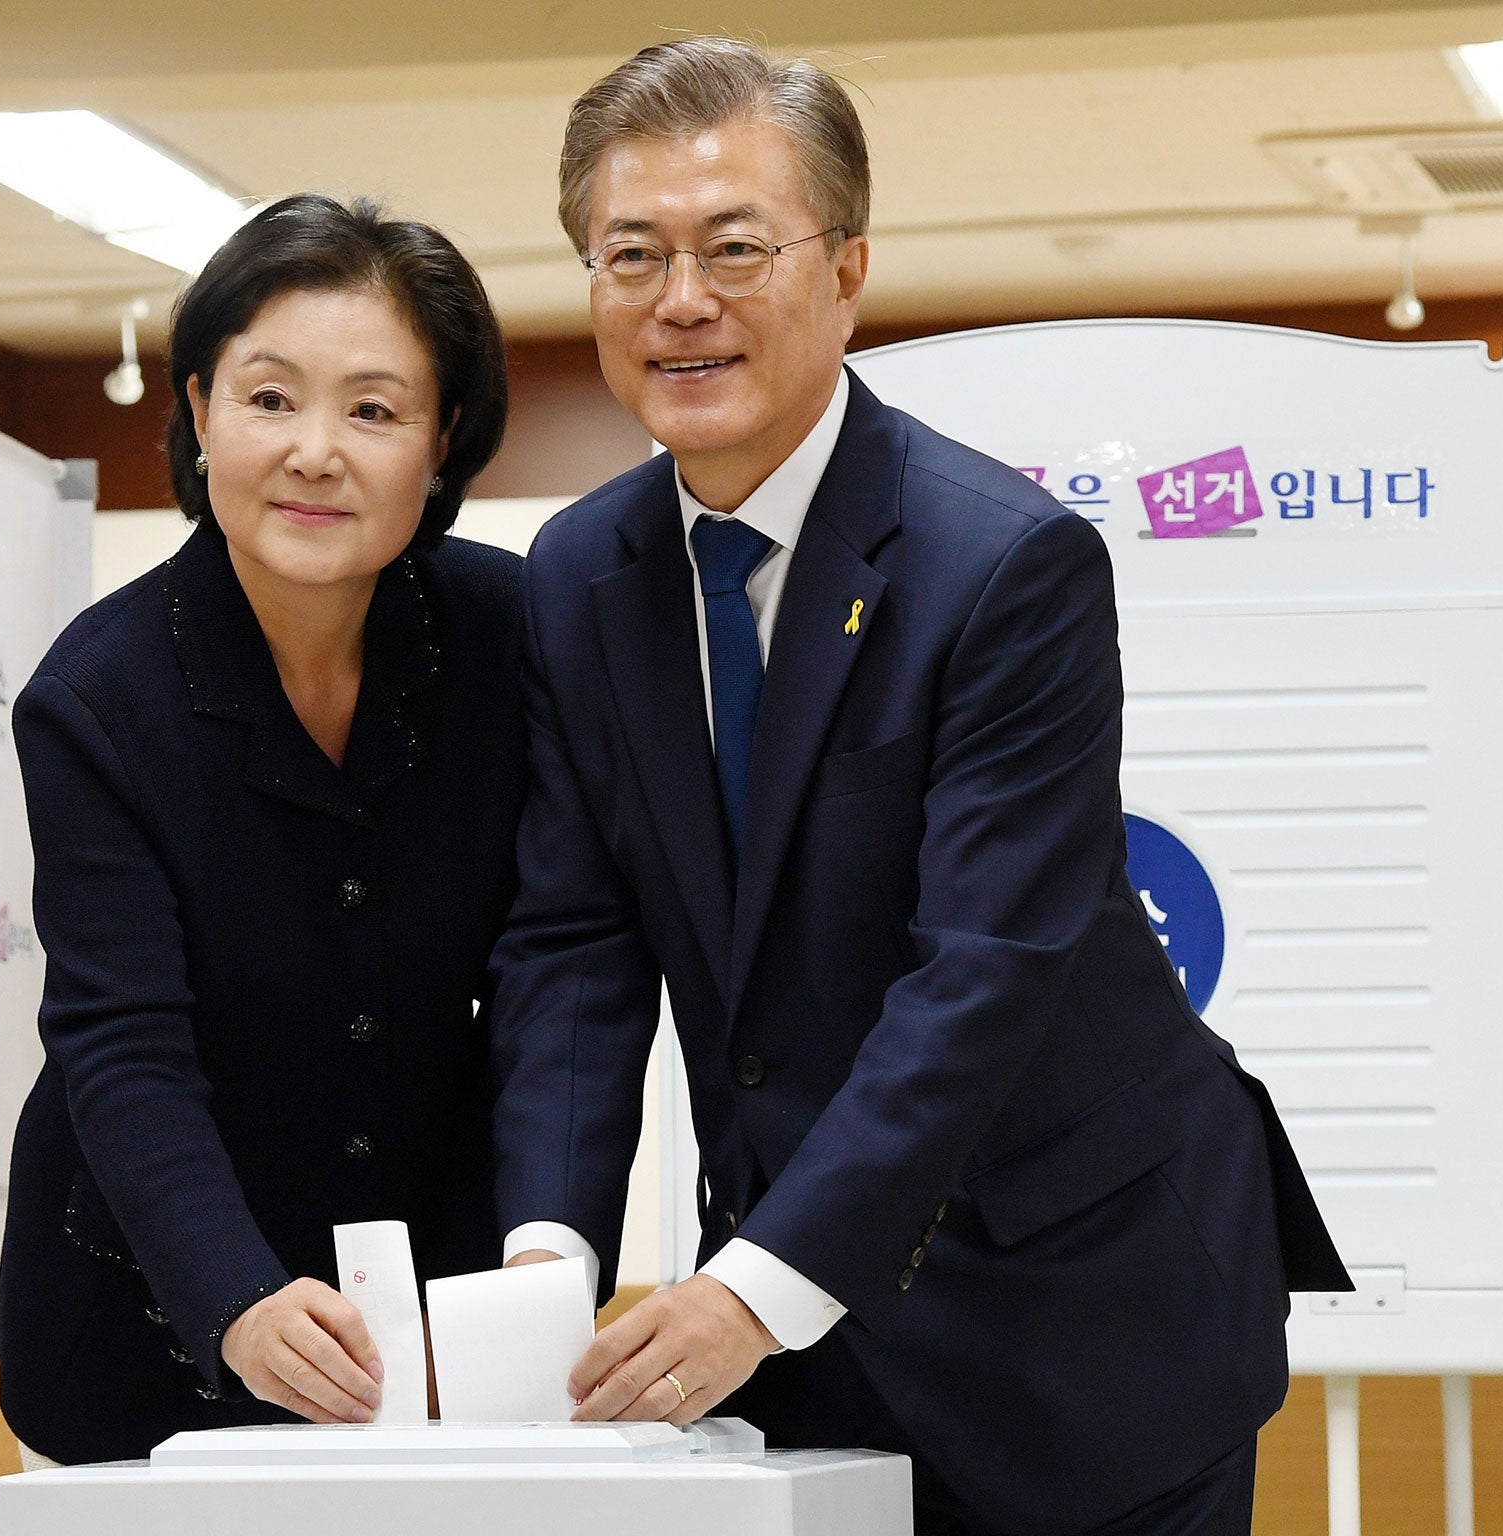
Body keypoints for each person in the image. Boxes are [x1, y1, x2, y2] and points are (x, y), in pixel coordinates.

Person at [490, 38, 1350, 1536]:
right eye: (631, 255)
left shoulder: (1003, 565)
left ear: (848, 271)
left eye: (735, 247)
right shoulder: (580, 576)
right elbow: (574, 943)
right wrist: (550, 1256)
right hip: (805, 1333)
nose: (680, 299)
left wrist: (750, 1295)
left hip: (1085, 1321)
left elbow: (983, 976)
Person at [0, 193, 520, 1467]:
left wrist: (514, 1272)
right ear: (196, 413)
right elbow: (120, 1044)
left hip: (434, 1317)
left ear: (442, 443)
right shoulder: (96, 697)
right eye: (269, 398)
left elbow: (552, 987)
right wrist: (231, 1296)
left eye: (374, 410)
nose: (313, 451)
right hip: (145, 1309)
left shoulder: (515, 642)